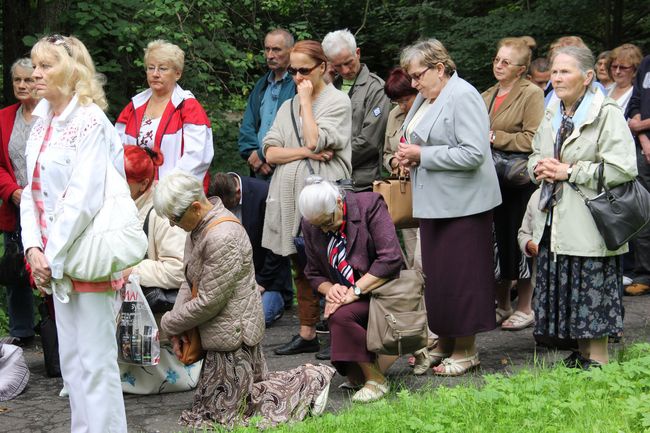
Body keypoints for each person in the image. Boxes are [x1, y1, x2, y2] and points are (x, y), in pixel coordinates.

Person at [154, 170, 335, 429]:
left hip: (234, 335)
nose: (172, 224)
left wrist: (170, 323)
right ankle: (305, 384)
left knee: (233, 413)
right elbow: (189, 279)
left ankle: (312, 380)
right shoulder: (199, 227)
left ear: (195, 207)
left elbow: (208, 301)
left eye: (174, 218)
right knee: (209, 409)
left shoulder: (222, 236)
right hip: (221, 332)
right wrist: (178, 323)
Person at [21, 34, 128, 432]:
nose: (36, 74)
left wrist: (51, 255)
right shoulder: (41, 121)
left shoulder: (89, 121)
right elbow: (29, 193)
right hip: (53, 259)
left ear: (72, 69)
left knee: (96, 362)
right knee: (72, 363)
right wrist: (33, 248)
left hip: (88, 256)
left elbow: (83, 199)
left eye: (46, 65)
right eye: (35, 65)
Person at [397, 39, 501, 376]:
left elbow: (473, 153)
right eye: (410, 77)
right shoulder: (430, 97)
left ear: (440, 68)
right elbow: (417, 139)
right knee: (439, 279)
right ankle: (444, 341)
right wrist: (407, 156)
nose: (413, 84)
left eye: (417, 75)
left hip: (464, 206)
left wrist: (421, 156)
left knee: (463, 279)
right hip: (434, 203)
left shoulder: (463, 95)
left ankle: (467, 350)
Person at [528, 45, 637, 368]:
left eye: (565, 72)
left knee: (590, 285)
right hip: (556, 217)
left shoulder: (606, 113)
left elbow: (623, 168)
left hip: (592, 218)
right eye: (555, 72)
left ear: (588, 77)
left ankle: (599, 359)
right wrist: (539, 168)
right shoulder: (554, 110)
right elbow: (535, 152)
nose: (557, 78)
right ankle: (583, 353)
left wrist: (571, 171)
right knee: (567, 284)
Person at [261, 40, 352, 357]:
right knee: (300, 264)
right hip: (289, 200)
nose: (297, 77)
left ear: (323, 67)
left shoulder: (337, 102)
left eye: (304, 70)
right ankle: (307, 331)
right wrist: (301, 151)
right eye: (293, 71)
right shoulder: (287, 107)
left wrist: (306, 104)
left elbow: (316, 138)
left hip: (323, 199)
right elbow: (269, 151)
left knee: (331, 265)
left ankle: (340, 333)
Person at [299, 180, 402, 402]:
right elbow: (314, 273)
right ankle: (366, 371)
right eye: (320, 226)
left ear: (338, 201)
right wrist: (331, 290)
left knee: (340, 315)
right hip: (350, 295)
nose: (325, 229)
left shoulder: (370, 205)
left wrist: (354, 290)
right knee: (354, 375)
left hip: (384, 293)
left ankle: (376, 380)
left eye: (329, 221)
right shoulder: (311, 224)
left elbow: (391, 259)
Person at [118, 145, 198, 394]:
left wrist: (134, 271)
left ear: (142, 185)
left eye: (123, 180)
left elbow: (177, 269)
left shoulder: (160, 212)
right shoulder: (124, 203)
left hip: (158, 304)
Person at [482, 37, 545, 331]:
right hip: (491, 180)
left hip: (518, 180)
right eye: (497, 59)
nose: (498, 65)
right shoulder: (487, 94)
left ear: (520, 69)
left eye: (506, 62)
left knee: (519, 241)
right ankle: (502, 304)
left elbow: (534, 138)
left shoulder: (531, 94)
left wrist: (496, 138)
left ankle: (525, 306)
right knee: (497, 241)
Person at [115, 39, 213, 186]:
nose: (155, 74)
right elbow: (116, 149)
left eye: (162, 69)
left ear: (178, 73)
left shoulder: (189, 108)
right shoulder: (133, 107)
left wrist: (167, 190)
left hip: (175, 196)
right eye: (150, 68)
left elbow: (197, 158)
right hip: (135, 193)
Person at [208, 172, 293, 326]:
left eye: (231, 205)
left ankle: (278, 302)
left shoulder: (264, 194)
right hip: (236, 278)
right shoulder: (215, 197)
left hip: (267, 277)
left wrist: (262, 282)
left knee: (256, 319)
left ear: (238, 191)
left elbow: (276, 246)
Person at [322, 29, 391, 191]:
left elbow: (370, 141)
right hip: (329, 180)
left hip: (361, 183)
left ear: (358, 53)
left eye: (348, 62)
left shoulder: (376, 88)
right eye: (338, 66)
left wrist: (333, 158)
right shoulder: (330, 86)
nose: (345, 70)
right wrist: (325, 85)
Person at [0, 58, 38, 346]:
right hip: (15, 206)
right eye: (18, 80)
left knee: (50, 268)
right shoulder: (3, 118)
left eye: (29, 80)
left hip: (48, 206)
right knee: (16, 269)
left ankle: (56, 333)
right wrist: (10, 190)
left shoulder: (53, 116)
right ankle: (22, 333)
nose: (23, 85)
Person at [238, 29, 296, 179]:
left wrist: (263, 155)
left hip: (287, 169)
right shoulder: (261, 85)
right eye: (267, 49)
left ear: (291, 51)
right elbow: (247, 125)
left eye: (276, 49)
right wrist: (252, 153)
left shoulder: (298, 84)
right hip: (258, 170)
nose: (270, 55)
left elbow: (294, 130)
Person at [382, 68, 419, 266]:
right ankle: (417, 296)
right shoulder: (394, 115)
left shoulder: (428, 112)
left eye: (405, 100)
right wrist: (396, 162)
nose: (402, 106)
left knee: (427, 255)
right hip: (405, 192)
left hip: (428, 190)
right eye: (397, 102)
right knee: (413, 255)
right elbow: (386, 153)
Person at [626, 54, 650, 296]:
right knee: (644, 212)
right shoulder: (646, 63)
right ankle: (644, 274)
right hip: (644, 150)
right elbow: (635, 103)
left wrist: (642, 127)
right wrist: (643, 139)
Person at [607, 43, 643, 114]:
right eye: (614, 66)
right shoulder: (606, 90)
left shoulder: (638, 95)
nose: (617, 71)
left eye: (623, 67)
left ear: (635, 69)